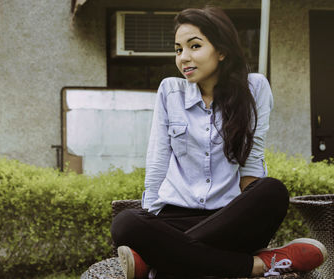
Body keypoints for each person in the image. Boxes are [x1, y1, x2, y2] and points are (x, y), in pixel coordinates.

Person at [111, 7, 327, 279]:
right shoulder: (170, 91)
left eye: (195, 46)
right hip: (174, 217)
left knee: (272, 190)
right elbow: (158, 161)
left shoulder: (255, 88)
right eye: (178, 50)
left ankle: (156, 263)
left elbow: (252, 162)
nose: (184, 58)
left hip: (228, 220)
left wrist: (249, 212)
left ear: (222, 51)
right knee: (126, 223)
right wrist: (151, 223)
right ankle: (258, 265)